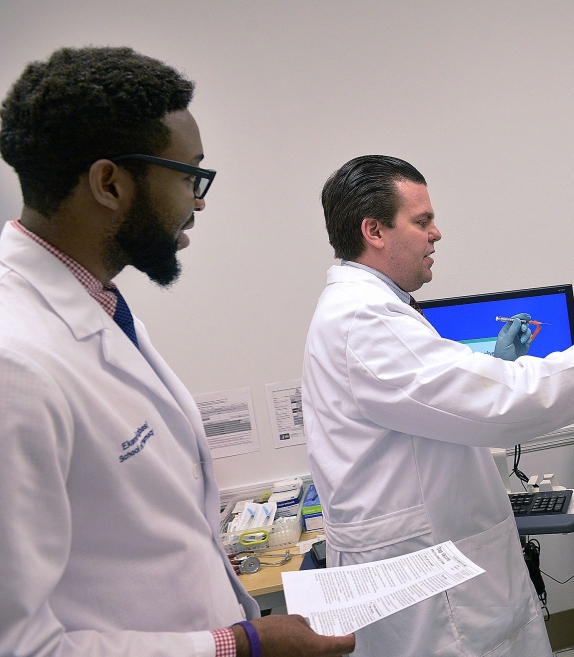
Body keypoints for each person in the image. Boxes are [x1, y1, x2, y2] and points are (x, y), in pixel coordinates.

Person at [0, 47, 354, 657]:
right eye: (190, 175)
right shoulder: (16, 364)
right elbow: (21, 646)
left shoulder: (98, 308)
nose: (199, 199)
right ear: (109, 183)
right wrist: (238, 645)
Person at [303, 155, 574, 657]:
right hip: (427, 584)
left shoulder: (372, 310)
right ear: (374, 230)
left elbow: (431, 406)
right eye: (422, 221)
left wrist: (492, 362)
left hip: (424, 561)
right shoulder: (365, 319)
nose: (437, 234)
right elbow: (507, 403)